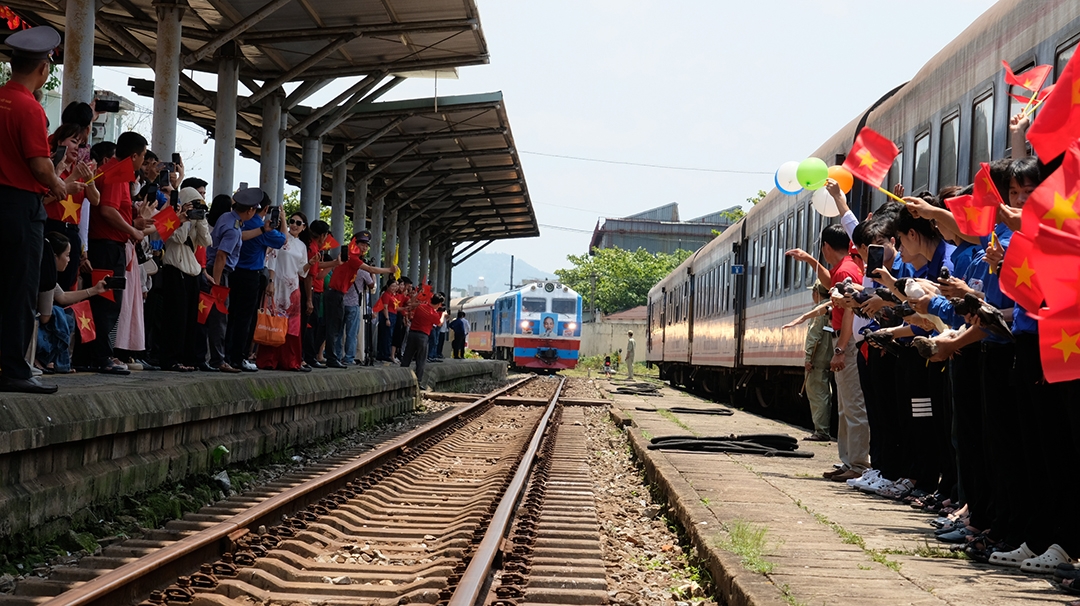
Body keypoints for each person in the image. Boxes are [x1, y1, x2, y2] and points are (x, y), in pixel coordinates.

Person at [0, 26, 83, 394]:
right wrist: (59, 183)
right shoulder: (30, 107)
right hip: (19, 206)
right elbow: (38, 164)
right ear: (44, 68)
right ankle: (15, 368)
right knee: (20, 288)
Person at [789, 224, 869, 481]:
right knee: (845, 406)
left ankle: (858, 464)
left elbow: (849, 312)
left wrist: (840, 349)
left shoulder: (846, 270)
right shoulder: (845, 266)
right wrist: (811, 260)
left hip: (847, 344)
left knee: (853, 406)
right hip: (845, 342)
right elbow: (828, 280)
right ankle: (848, 461)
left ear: (826, 247)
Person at [83, 131, 148, 376]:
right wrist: (131, 229)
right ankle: (102, 356)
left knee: (108, 302)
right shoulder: (116, 174)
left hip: (109, 245)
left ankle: (101, 354)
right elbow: (108, 211)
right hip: (107, 247)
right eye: (143, 156)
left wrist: (135, 222)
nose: (143, 161)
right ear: (133, 156)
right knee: (108, 304)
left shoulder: (113, 172)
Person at [226, 191, 284, 372]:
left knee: (230, 315)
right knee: (246, 318)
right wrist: (282, 219)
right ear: (266, 209)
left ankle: (225, 354)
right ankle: (239, 357)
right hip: (251, 274)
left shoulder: (236, 222)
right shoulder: (262, 226)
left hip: (233, 272)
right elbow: (282, 240)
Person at [204, 188, 261, 373]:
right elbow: (221, 255)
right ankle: (218, 360)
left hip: (214, 269)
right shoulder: (233, 228)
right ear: (250, 210)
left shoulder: (227, 218)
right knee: (219, 317)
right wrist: (218, 285)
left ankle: (212, 358)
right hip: (220, 272)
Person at [157, 187, 212, 372]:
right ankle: (171, 359)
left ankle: (188, 358)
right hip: (175, 268)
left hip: (192, 271)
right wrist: (185, 218)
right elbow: (179, 238)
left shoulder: (194, 219)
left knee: (190, 319)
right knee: (176, 318)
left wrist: (200, 219)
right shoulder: (170, 215)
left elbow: (206, 241)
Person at [36, 232, 107, 374]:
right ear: (54, 257)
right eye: (67, 255)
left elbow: (62, 297)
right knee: (60, 315)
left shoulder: (44, 272)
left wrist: (95, 290)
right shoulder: (44, 276)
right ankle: (43, 359)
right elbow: (45, 316)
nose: (69, 260)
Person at [323, 230, 396, 368]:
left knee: (336, 330)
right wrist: (389, 270)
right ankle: (336, 358)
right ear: (354, 244)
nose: (364, 247)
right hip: (338, 296)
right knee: (339, 331)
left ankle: (335, 357)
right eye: (362, 244)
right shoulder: (353, 258)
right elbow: (371, 272)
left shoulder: (351, 258)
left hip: (338, 296)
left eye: (366, 245)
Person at [257, 211, 312, 372]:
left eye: (298, 223)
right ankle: (268, 359)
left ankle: (290, 361)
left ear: (303, 227)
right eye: (292, 221)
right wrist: (271, 282)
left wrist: (311, 263)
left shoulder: (302, 246)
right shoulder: (280, 239)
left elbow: (302, 271)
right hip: (277, 284)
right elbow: (271, 259)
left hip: (293, 288)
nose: (294, 225)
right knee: (273, 321)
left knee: (292, 327)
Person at [783, 282, 833, 441]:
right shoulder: (831, 308)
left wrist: (808, 358)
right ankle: (823, 429)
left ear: (816, 293)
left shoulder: (819, 310)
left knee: (817, 392)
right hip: (828, 353)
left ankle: (821, 431)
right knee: (824, 392)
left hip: (818, 356)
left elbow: (813, 335)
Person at [399, 293, 445, 385]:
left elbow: (412, 305)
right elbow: (440, 323)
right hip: (423, 336)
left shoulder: (421, 307)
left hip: (412, 334)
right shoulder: (434, 314)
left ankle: (401, 376)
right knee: (421, 359)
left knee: (407, 356)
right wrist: (443, 314)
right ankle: (418, 381)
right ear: (439, 304)